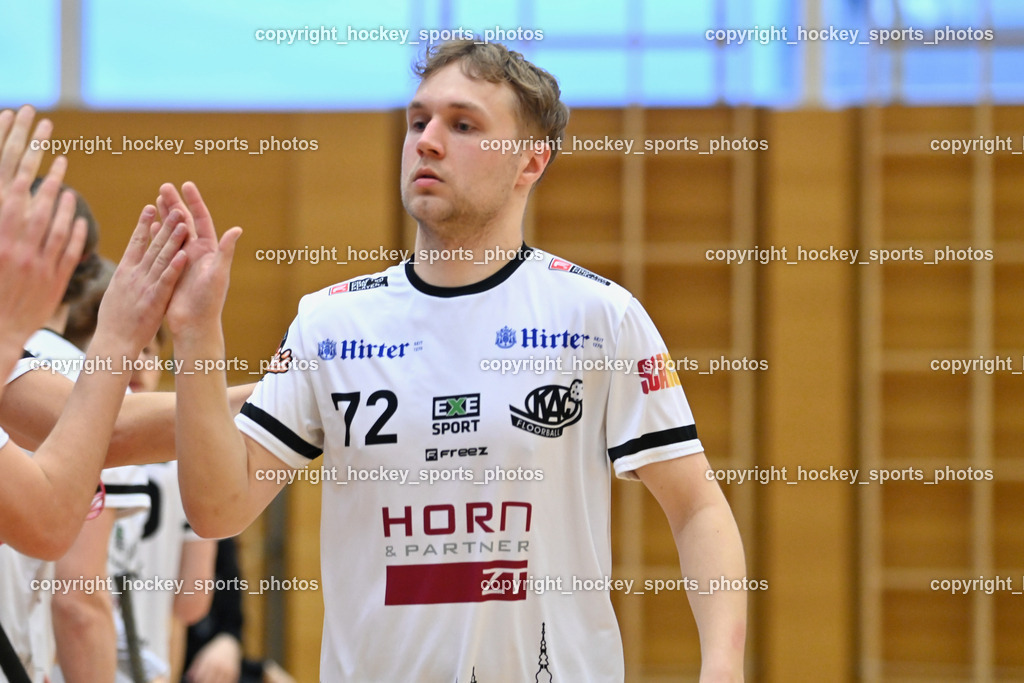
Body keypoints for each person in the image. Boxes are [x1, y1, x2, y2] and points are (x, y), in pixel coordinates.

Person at [169, 40, 747, 681]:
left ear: (531, 160)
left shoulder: (598, 317)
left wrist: (721, 669)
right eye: (419, 121)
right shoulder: (330, 324)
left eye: (463, 124)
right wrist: (197, 338)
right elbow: (217, 509)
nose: (428, 141)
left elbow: (696, 507)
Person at [0, 104, 188, 682]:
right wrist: (295, 392)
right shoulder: (51, 364)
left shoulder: (36, 364)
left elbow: (51, 514)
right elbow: (117, 429)